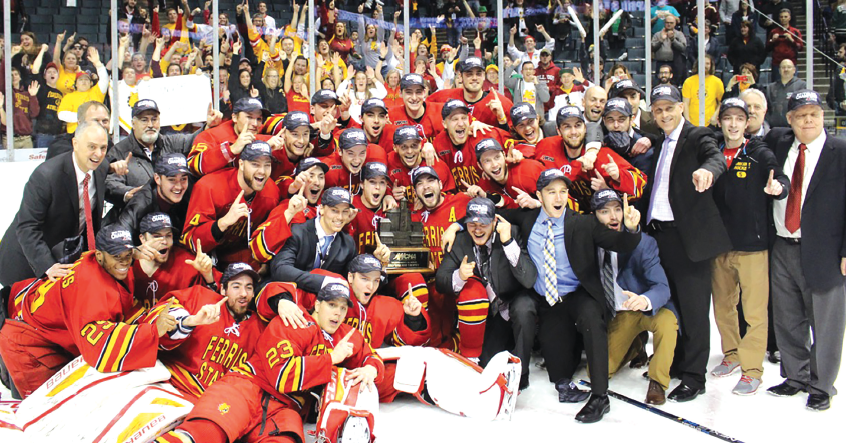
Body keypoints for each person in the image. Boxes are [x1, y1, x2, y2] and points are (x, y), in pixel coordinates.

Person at [495, 168, 642, 423]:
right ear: (540, 196)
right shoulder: (528, 219)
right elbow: (492, 215)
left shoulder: (583, 223)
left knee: (591, 318)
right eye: (551, 192)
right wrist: (455, 226)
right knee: (559, 371)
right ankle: (542, 366)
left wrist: (631, 229)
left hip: (577, 294)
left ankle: (600, 397)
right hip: (549, 303)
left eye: (563, 191)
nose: (558, 197)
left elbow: (619, 243)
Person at [155, 282, 383, 443]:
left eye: (343, 308)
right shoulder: (295, 320)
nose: (338, 313)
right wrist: (332, 359)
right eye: (332, 305)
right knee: (205, 432)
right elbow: (283, 374)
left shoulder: (347, 335)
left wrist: (371, 369)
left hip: (285, 408)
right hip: (247, 387)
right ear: (317, 305)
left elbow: (372, 356)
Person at [638, 84, 731, 403]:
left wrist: (708, 170)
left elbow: (715, 157)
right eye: (658, 109)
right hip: (659, 237)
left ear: (681, 107)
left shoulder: (697, 136)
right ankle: (676, 362)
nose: (664, 114)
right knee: (671, 307)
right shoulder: (660, 142)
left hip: (687, 237)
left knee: (693, 309)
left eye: (669, 108)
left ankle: (694, 375)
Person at [0, 225, 167, 399]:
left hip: (34, 309)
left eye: (127, 255)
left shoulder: (100, 262)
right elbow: (99, 349)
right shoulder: (90, 288)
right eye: (117, 256)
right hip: (23, 335)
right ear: (100, 256)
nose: (124, 262)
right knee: (52, 408)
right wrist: (152, 332)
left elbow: (121, 306)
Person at [765, 90, 846, 411]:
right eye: (801, 115)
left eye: (814, 113)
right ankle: (795, 376)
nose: (808, 120)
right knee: (787, 317)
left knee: (825, 322)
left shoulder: (840, 150)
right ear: (789, 119)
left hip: (825, 250)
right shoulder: (779, 142)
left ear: (822, 116)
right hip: (782, 245)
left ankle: (822, 384)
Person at [261, 254, 430, 403]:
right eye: (364, 279)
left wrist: (412, 318)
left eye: (376, 280)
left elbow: (404, 345)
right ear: (350, 277)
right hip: (301, 372)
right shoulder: (325, 293)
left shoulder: (382, 310)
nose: (370, 287)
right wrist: (282, 300)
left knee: (396, 373)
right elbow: (279, 290)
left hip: (344, 370)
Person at [710, 98, 789, 395]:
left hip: (753, 246)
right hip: (719, 245)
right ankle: (731, 354)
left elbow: (779, 176)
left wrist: (778, 188)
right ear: (720, 121)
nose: (732, 124)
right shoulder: (713, 152)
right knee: (722, 308)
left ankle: (752, 369)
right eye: (727, 118)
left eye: (738, 119)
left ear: (747, 122)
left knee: (754, 313)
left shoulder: (758, 151)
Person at [436, 197, 537, 387]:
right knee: (486, 362)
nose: (478, 229)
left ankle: (521, 373)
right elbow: (441, 281)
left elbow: (529, 279)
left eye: (483, 223)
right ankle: (506, 345)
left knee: (525, 308)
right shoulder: (460, 242)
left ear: (494, 222)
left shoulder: (511, 232)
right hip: (491, 314)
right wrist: (459, 276)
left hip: (513, 301)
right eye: (472, 224)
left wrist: (507, 243)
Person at [589, 189, 677, 405]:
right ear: (594, 216)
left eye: (617, 209)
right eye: (605, 211)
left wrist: (645, 299)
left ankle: (658, 382)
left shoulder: (643, 243)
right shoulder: (589, 242)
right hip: (618, 315)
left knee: (667, 321)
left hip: (643, 308)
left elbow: (662, 287)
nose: (613, 217)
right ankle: (635, 347)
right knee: (597, 373)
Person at [0, 121, 109, 289]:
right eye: (92, 147)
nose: (99, 154)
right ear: (75, 144)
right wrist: (47, 265)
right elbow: (27, 227)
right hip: (26, 262)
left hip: (62, 259)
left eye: (103, 148)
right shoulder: (46, 176)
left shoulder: (101, 169)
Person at [141, 262, 263, 399]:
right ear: (223, 289)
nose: (243, 294)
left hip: (212, 403)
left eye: (249, 287)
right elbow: (155, 330)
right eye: (236, 287)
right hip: (171, 385)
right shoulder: (200, 297)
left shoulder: (259, 329)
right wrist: (190, 321)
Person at [181, 141, 280, 270]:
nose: (262, 171)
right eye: (255, 164)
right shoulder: (209, 187)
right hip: (208, 262)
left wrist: (266, 263)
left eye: (267, 165)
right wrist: (222, 223)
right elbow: (190, 241)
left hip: (246, 262)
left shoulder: (271, 192)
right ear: (241, 164)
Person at [105, 100, 219, 207]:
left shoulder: (170, 143)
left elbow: (193, 141)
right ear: (133, 124)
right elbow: (109, 184)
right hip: (139, 217)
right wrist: (127, 193)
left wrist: (208, 126)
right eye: (144, 120)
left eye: (154, 119)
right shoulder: (119, 151)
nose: (150, 125)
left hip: (172, 216)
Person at [536, 106, 645, 212]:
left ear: (585, 128)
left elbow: (641, 184)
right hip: (562, 218)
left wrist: (618, 177)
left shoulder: (602, 156)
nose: (573, 132)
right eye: (567, 127)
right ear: (559, 131)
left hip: (599, 220)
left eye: (578, 125)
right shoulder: (547, 147)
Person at [270, 187, 359, 294]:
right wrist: (322, 281)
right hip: (292, 296)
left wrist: (380, 262)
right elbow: (280, 269)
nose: (340, 217)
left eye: (345, 212)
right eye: (334, 210)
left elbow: (355, 278)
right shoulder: (297, 233)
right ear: (321, 209)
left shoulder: (348, 243)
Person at [132, 212, 218, 310]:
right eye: (156, 236)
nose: (164, 241)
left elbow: (214, 300)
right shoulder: (126, 265)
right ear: (142, 239)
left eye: (168, 235)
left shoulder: (187, 262)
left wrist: (208, 275)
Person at [186, 97, 274, 176]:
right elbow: (192, 166)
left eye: (259, 119)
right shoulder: (212, 135)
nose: (255, 124)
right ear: (234, 117)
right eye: (249, 117)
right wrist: (230, 150)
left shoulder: (256, 132)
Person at [118, 153, 192, 236]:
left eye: (183, 179)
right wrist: (138, 249)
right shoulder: (141, 204)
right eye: (172, 180)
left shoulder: (189, 196)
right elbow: (118, 240)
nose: (179, 186)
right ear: (157, 179)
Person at [427, 57, 514, 127]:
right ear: (460, 77)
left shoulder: (502, 103)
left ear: (484, 76)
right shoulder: (445, 96)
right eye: (469, 74)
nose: (474, 78)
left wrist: (502, 120)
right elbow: (421, 107)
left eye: (478, 74)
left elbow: (513, 138)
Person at [470, 136, 546, 209]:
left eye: (497, 157)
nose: (494, 165)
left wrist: (536, 204)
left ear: (504, 155)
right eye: (487, 161)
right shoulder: (483, 187)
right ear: (480, 166)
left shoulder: (529, 170)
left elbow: (556, 197)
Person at [387, 125, 455, 203]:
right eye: (404, 147)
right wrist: (389, 195)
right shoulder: (389, 162)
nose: (409, 151)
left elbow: (450, 200)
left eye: (414, 146)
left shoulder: (437, 166)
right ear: (395, 148)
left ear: (420, 145)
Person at [600, 98, 654, 173]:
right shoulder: (599, 144)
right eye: (610, 119)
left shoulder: (645, 150)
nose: (616, 125)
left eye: (621, 119)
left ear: (631, 119)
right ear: (604, 120)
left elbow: (644, 183)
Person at [45, 100, 112, 159]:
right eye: (95, 121)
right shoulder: (60, 146)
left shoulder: (110, 147)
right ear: (80, 123)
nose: (101, 125)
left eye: (105, 121)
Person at [388, 73, 445, 141]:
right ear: (400, 93)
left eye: (418, 92)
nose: (414, 98)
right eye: (409, 92)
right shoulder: (391, 115)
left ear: (424, 93)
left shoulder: (440, 111)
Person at [682, 55, 724, 127]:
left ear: (711, 65)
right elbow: (685, 103)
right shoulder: (689, 81)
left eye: (707, 63)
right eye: (702, 63)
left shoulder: (717, 82)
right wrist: (687, 122)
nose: (705, 66)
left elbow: (721, 102)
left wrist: (715, 117)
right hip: (692, 123)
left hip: (710, 123)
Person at [765, 59, 807, 129]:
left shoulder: (802, 86)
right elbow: (767, 108)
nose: (786, 69)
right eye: (783, 67)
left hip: (795, 128)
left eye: (789, 67)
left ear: (794, 70)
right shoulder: (771, 87)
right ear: (779, 70)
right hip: (775, 128)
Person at [651, 15, 686, 88]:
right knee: (659, 84)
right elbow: (652, 47)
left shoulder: (679, 34)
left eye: (671, 23)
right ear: (664, 23)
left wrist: (673, 40)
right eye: (667, 22)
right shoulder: (657, 34)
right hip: (660, 63)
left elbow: (683, 47)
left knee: (674, 84)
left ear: (675, 24)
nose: (669, 24)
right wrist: (661, 40)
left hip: (674, 63)